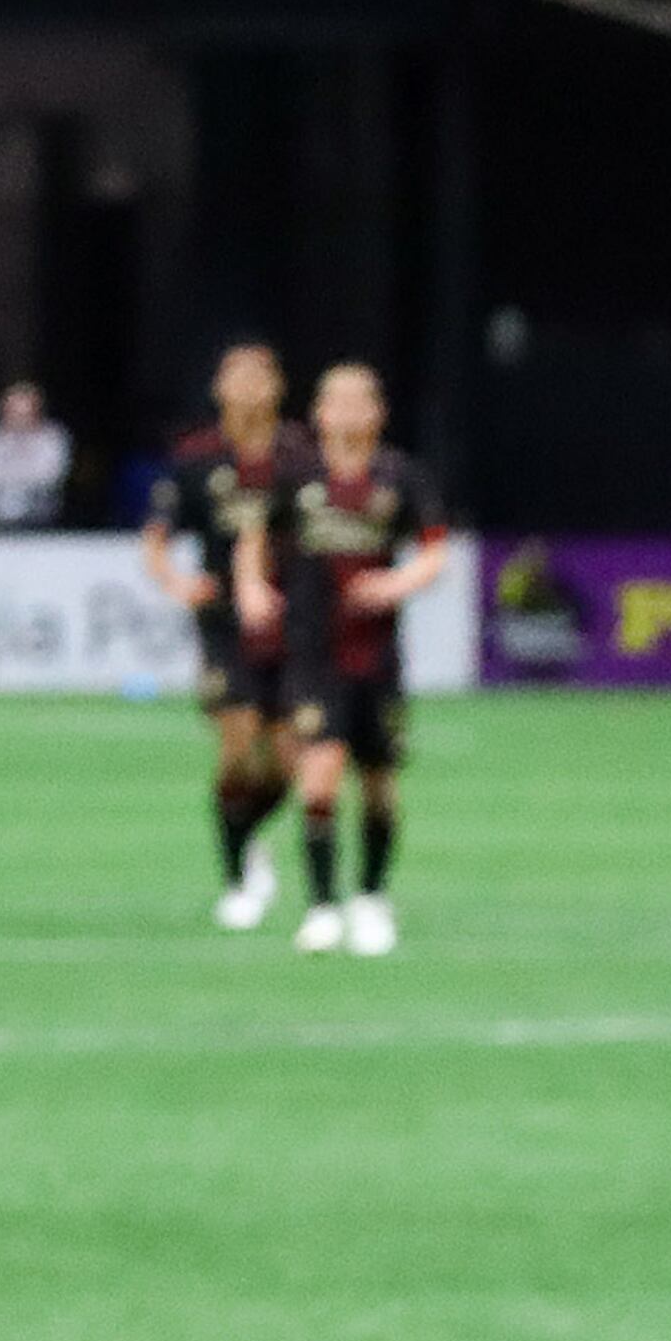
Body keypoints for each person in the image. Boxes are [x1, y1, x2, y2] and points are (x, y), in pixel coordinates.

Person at [235, 362, 451, 960]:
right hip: (313, 655)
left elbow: (435, 551)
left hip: (378, 658)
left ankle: (372, 898)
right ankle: (323, 907)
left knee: (380, 786)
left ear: (378, 413)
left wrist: (397, 583)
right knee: (319, 779)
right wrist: (251, 587)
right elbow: (254, 538)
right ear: (320, 413)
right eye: (339, 402)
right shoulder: (296, 478)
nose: (351, 412)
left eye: (363, 402)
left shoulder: (400, 477)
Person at [141, 342, 307, 933]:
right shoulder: (196, 458)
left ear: (278, 386)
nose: (248, 386)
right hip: (223, 627)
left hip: (293, 624)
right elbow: (156, 536)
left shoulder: (300, 456)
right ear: (218, 388)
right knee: (237, 746)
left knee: (290, 761)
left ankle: (251, 831)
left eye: (260, 375)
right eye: (236, 375)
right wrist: (175, 582)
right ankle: (238, 878)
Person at [0, 381, 70, 529]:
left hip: (41, 521)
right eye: (14, 413)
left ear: (36, 412)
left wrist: (12, 482)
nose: (20, 420)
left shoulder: (52, 438)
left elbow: (51, 477)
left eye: (25, 414)